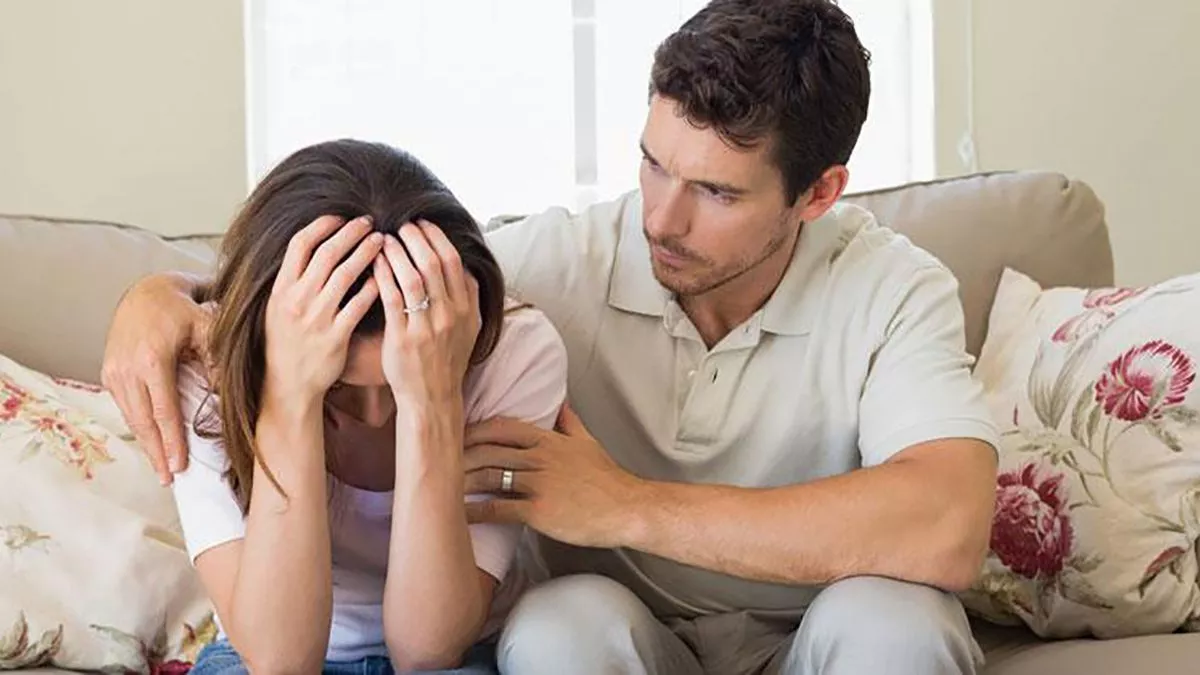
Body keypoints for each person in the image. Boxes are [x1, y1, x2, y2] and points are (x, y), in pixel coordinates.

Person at [102, 1, 999, 674]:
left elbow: (949, 524)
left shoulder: (894, 288)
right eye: (653, 164)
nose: (662, 218)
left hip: (822, 630)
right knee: (559, 625)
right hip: (619, 637)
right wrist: (159, 294)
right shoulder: (553, 265)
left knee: (897, 623)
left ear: (820, 192)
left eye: (717, 193)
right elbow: (366, 284)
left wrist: (627, 505)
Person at [162, 139, 567, 675]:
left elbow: (428, 651)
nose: (376, 415)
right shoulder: (211, 364)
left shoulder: (516, 351)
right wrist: (290, 399)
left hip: (462, 654)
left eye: (394, 387)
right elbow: (280, 661)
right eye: (340, 388)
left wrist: (432, 402)